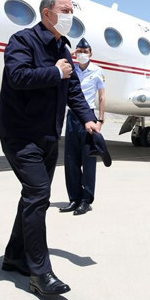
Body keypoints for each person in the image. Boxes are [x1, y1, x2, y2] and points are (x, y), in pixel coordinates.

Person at [0, 0, 100, 297]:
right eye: (65, 9)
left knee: (33, 197)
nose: (70, 15)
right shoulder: (23, 41)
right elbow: (17, 76)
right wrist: (55, 72)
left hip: (48, 136)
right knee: (39, 195)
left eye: (72, 10)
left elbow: (74, 93)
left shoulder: (63, 49)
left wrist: (89, 119)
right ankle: (40, 273)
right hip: (20, 135)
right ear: (47, 14)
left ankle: (15, 256)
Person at [61, 37, 106, 216]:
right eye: (79, 52)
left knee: (88, 161)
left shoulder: (97, 72)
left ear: (90, 54)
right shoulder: (70, 70)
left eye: (85, 52)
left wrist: (100, 121)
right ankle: (74, 198)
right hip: (72, 116)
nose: (82, 54)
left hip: (89, 116)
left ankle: (86, 200)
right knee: (70, 160)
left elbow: (102, 97)